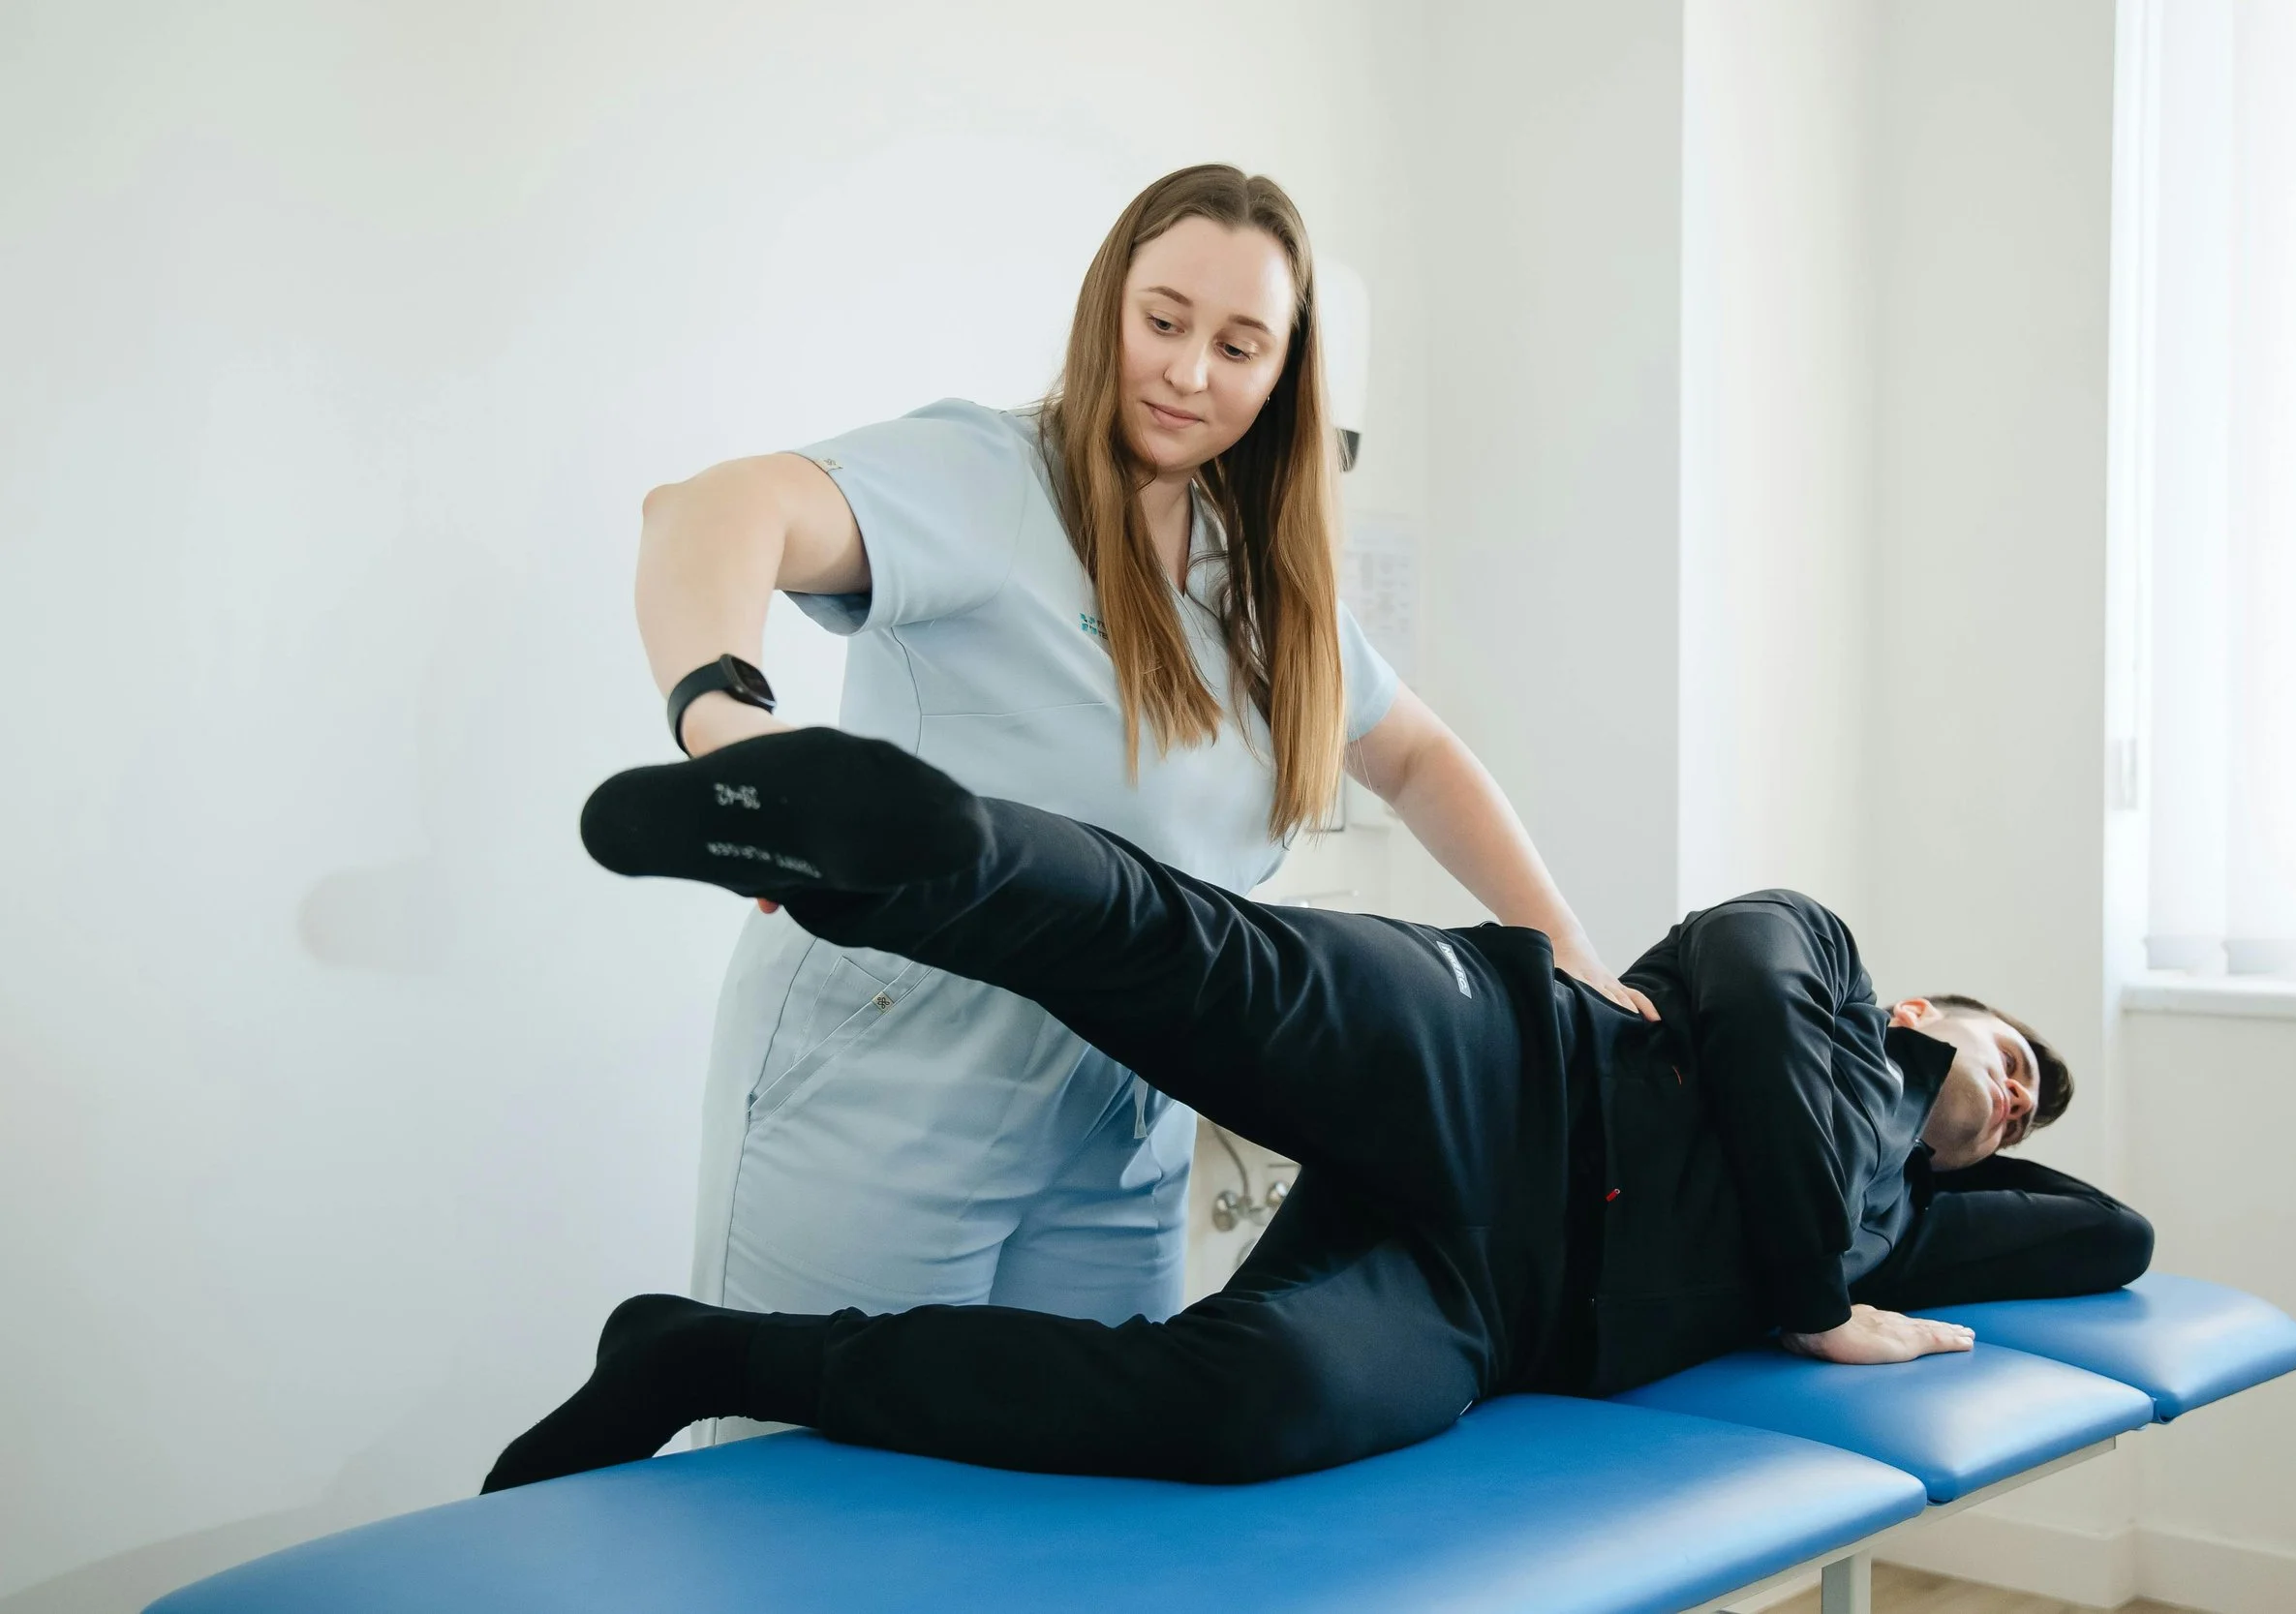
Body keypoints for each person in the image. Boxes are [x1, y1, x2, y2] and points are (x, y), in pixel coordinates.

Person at [481, 728, 2154, 1493]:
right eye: (2010, 1056)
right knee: (1198, 961)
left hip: (1496, 1310)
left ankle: (704, 1351)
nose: (2015, 1101)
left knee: (1246, 1410)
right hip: (1506, 1056)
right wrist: (1819, 1287)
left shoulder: (1894, 1226)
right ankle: (904, 857)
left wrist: (1907, 1210)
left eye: (2027, 1111)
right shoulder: (1825, 968)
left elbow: (2107, 1235)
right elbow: (1759, 1007)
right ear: (1931, 1005)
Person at [636, 164, 1646, 1360]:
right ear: (1107, 304)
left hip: (1120, 1115)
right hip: (893, 1072)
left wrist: (1570, 959)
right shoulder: (989, 479)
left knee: (1079, 1509)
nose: (1188, 371)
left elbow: (1417, 754)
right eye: (1163, 321)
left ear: (1283, 375)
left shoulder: (1253, 583)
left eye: (1238, 345)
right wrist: (732, 728)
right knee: (810, 1490)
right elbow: (703, 511)